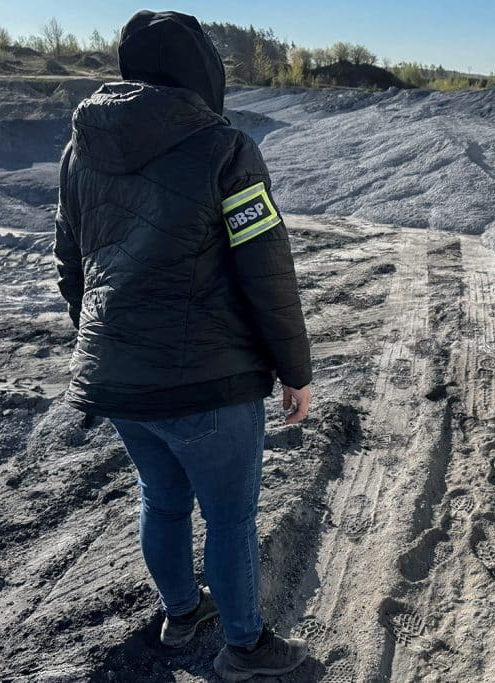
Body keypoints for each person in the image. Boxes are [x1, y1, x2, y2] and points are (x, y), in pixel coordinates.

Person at [53, 11, 313, 680]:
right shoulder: (224, 147)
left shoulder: (80, 148)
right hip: (208, 382)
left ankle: (178, 611)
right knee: (230, 517)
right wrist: (295, 369)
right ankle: (246, 647)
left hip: (116, 379)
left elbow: (70, 264)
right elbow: (267, 269)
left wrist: (108, 344)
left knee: (160, 496)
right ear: (202, 72)